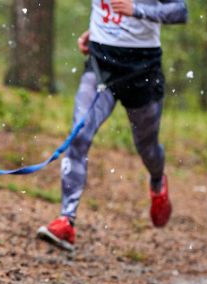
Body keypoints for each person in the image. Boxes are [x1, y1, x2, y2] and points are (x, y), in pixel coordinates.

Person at [37, 0, 188, 252]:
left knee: (147, 147)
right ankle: (66, 220)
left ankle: (157, 181)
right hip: (101, 64)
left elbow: (180, 12)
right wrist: (95, 32)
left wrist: (137, 10)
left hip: (143, 69)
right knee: (79, 135)